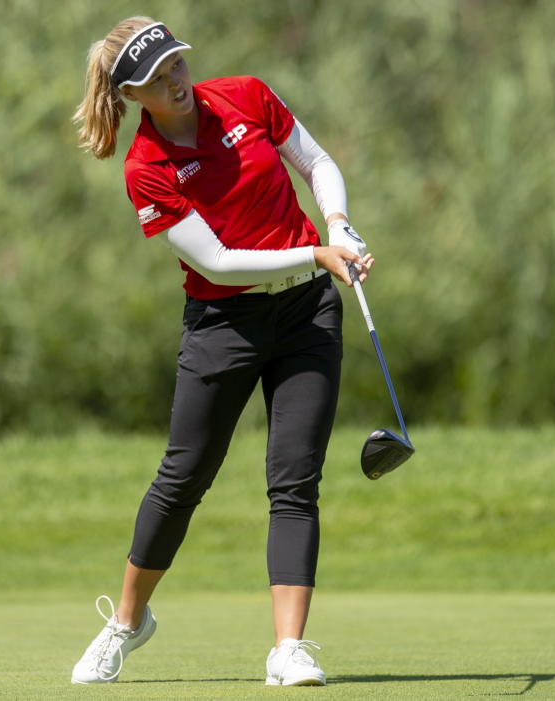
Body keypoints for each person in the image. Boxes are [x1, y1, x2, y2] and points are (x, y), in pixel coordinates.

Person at [69, 15, 374, 687]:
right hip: (223, 323)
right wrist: (318, 252)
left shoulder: (246, 94)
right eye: (157, 77)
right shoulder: (146, 167)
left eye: (176, 63)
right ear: (132, 96)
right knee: (183, 478)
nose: (176, 80)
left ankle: (288, 648)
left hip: (307, 312)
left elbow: (317, 163)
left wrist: (339, 225)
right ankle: (127, 622)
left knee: (295, 480)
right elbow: (224, 262)